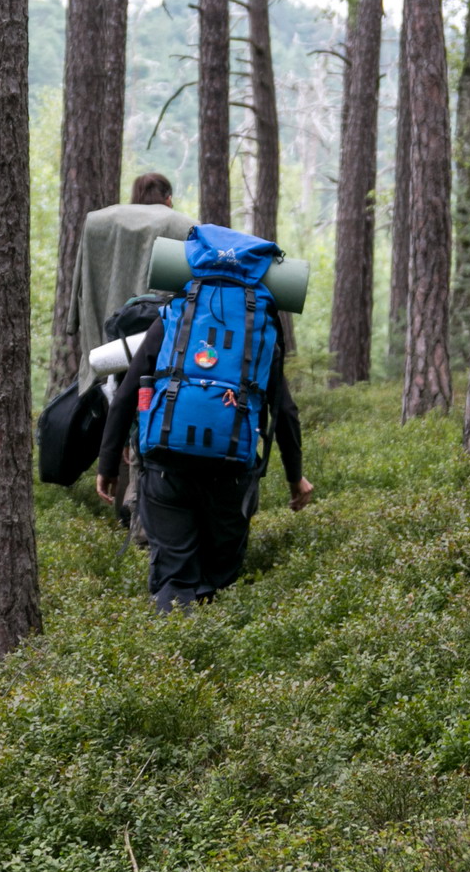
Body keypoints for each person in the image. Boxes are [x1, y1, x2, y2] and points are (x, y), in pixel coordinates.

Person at [97, 226, 314, 612]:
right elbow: (284, 411)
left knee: (174, 577)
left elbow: (127, 393)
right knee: (218, 580)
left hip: (166, 464)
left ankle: (173, 641)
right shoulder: (258, 323)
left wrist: (108, 464)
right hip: (231, 472)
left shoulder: (174, 314)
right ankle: (212, 642)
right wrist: (295, 477)